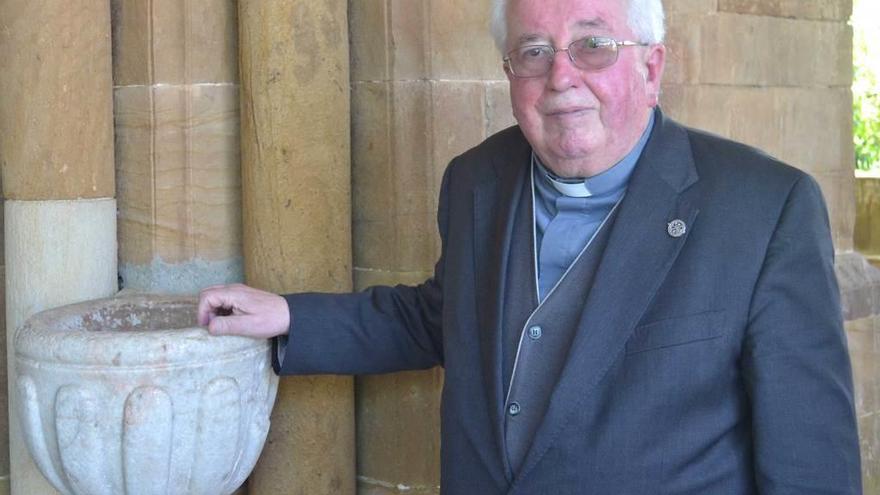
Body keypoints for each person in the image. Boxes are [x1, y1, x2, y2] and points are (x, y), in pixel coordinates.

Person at [198, 0, 862, 492]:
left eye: (593, 44)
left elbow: (811, 463)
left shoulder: (764, 209)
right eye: (534, 51)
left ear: (652, 66)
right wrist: (290, 317)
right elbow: (445, 315)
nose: (561, 75)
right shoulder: (476, 180)